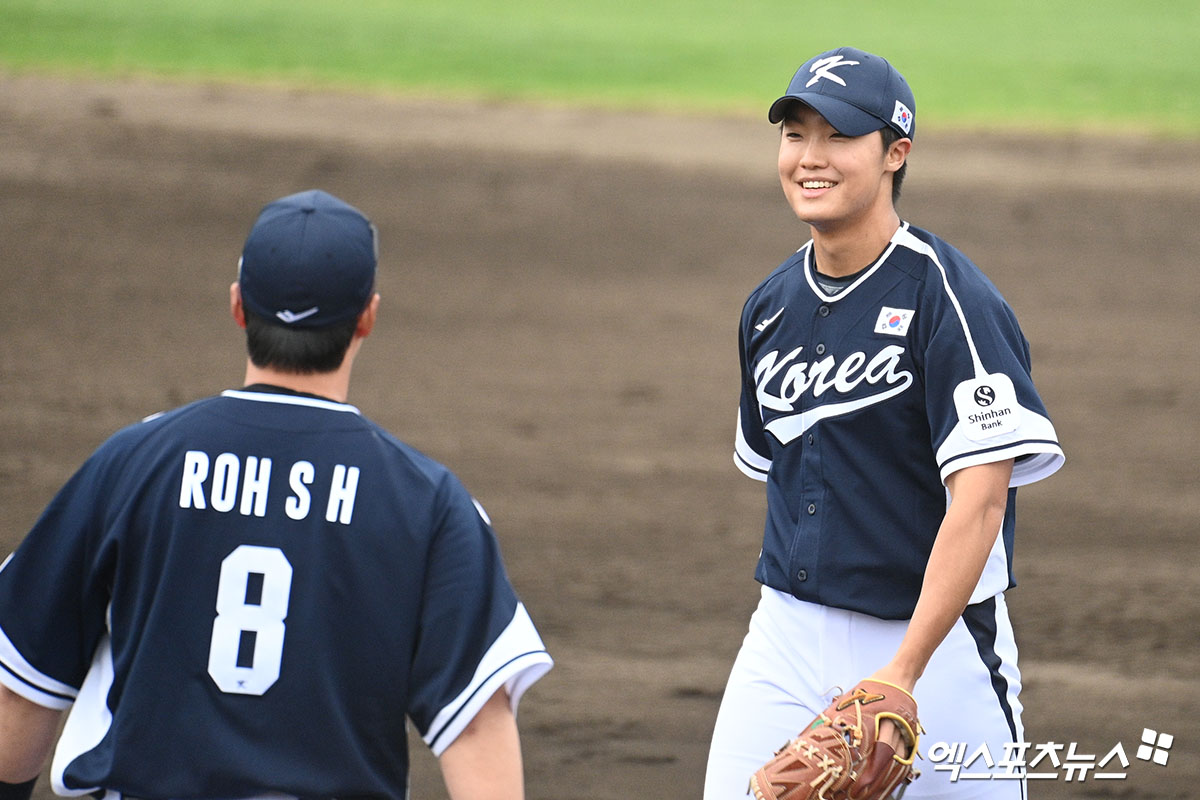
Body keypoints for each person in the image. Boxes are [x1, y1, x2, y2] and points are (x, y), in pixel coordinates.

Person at [0, 189, 553, 800]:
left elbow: (20, 690)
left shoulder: (131, 464)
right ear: (366, 317)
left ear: (238, 307)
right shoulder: (427, 503)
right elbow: (476, 730)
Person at [704, 47, 1065, 799]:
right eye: (795, 133)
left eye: (838, 136)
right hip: (785, 635)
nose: (811, 157)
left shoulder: (950, 300)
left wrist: (900, 674)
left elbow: (982, 503)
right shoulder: (769, 307)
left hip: (932, 647)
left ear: (896, 152)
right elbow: (787, 476)